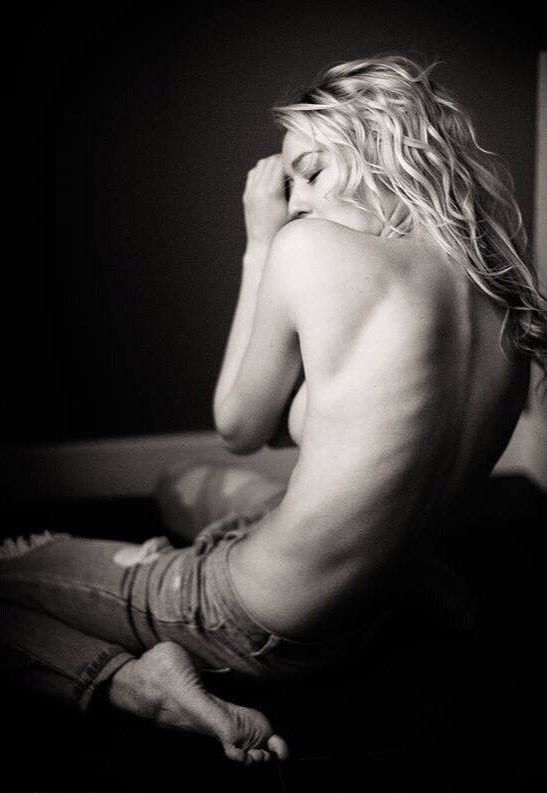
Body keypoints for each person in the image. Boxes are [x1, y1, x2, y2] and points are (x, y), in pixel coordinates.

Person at [2, 55, 546, 765]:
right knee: (182, 485)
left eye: (310, 172)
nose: (295, 203)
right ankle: (415, 584)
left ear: (383, 146)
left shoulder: (308, 247)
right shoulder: (501, 289)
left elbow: (239, 426)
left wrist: (260, 246)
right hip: (369, 607)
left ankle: (132, 684)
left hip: (251, 622)